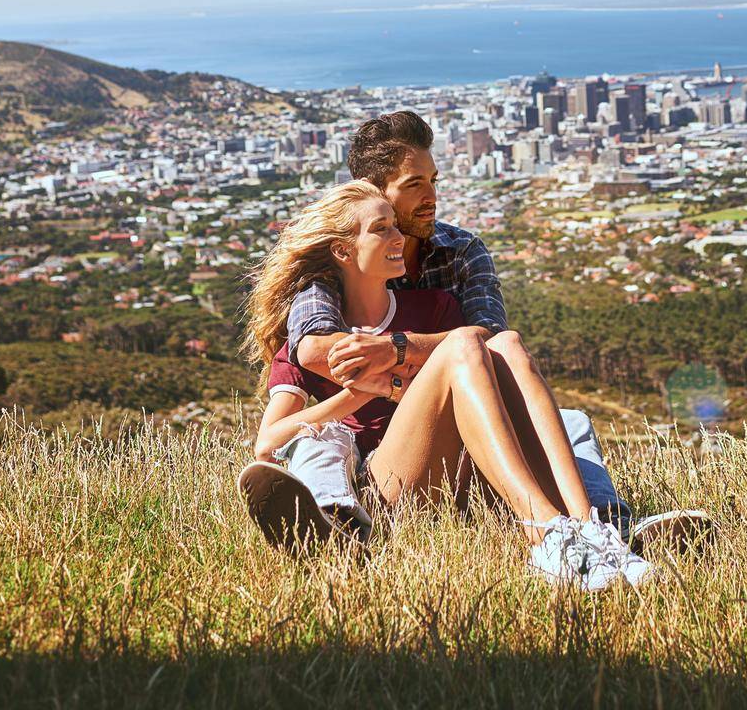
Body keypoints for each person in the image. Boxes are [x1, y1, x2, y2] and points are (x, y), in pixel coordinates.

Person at [286, 110, 710, 554]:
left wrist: (396, 349)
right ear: (374, 195)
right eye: (414, 185)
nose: (431, 196)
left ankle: (599, 526)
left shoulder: (459, 250)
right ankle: (556, 533)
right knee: (469, 345)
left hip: (473, 448)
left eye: (434, 180)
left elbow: (492, 341)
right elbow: (314, 349)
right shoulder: (336, 268)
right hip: (396, 462)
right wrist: (412, 374)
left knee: (551, 399)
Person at [239, 178, 652, 590]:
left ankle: (588, 528)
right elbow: (268, 443)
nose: (398, 237)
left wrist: (395, 353)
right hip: (394, 486)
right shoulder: (313, 340)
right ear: (343, 250)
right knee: (466, 341)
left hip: (467, 475)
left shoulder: (435, 309)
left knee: (504, 341)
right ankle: (546, 531)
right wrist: (359, 394)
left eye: (395, 226)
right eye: (381, 228)